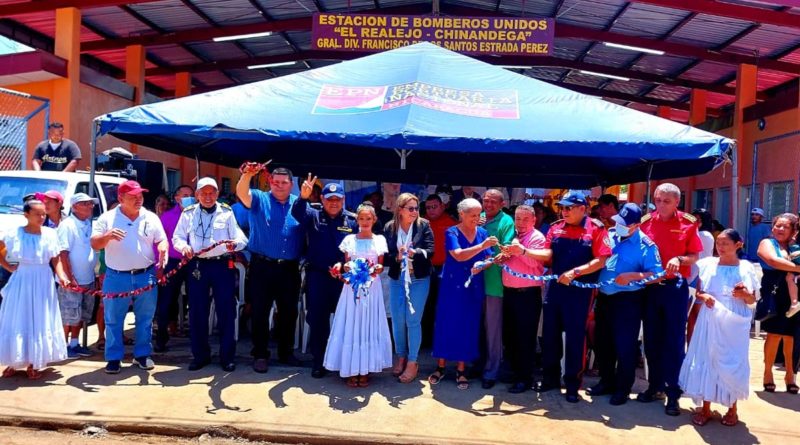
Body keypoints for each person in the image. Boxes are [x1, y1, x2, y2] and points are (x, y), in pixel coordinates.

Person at [534, 191, 610, 403]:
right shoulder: (556, 227)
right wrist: (524, 251)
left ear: (581, 208)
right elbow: (548, 255)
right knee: (550, 335)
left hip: (579, 292)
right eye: (562, 207)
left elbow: (601, 260)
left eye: (568, 208)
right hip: (555, 289)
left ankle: (572, 384)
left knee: (575, 338)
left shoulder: (596, 228)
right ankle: (549, 378)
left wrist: (575, 273)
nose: (564, 211)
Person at [680, 229, 757, 427]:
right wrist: (704, 297)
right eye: (718, 243)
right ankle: (705, 408)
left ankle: (732, 408)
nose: (720, 247)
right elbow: (699, 292)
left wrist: (745, 295)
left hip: (734, 319)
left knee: (733, 360)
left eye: (725, 243)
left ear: (738, 245)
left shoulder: (747, 268)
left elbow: (753, 299)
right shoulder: (707, 264)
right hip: (710, 316)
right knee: (707, 357)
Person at [638, 183, 703, 416]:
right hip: (649, 288)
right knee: (652, 339)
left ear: (677, 202)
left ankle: (673, 393)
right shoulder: (646, 222)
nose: (661, 205)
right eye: (658, 200)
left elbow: (694, 255)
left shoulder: (687, 223)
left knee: (673, 341)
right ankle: (654, 387)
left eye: (667, 201)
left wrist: (679, 258)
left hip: (674, 288)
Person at [91, 180, 168, 374]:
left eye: (140, 196)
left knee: (145, 318)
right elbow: (94, 244)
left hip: (146, 275)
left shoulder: (150, 217)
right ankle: (114, 358)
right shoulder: (107, 218)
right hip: (117, 276)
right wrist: (106, 237)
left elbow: (161, 239)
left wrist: (162, 250)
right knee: (113, 319)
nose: (138, 200)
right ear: (120, 198)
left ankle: (142, 355)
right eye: (133, 197)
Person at [590, 203, 663, 405]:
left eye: (625, 224)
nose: (619, 226)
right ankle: (606, 381)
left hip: (627, 301)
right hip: (604, 297)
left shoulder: (646, 246)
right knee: (603, 343)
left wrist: (633, 276)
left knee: (625, 346)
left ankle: (622, 388)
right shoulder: (610, 234)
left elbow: (657, 275)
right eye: (618, 222)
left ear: (636, 225)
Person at [173, 177, 247, 372]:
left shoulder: (227, 212)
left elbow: (241, 237)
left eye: (212, 193)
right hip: (198, 266)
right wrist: (184, 247)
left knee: (226, 311)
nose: (208, 196)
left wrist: (235, 244)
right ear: (197, 195)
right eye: (203, 193)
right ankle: (200, 355)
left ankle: (227, 357)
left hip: (222, 266)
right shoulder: (188, 213)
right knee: (197, 311)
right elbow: (177, 237)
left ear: (217, 194)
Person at [236, 166, 304, 373]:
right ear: (270, 182)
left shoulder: (299, 204)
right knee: (260, 311)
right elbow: (242, 193)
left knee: (289, 312)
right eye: (276, 182)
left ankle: (286, 352)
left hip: (289, 268)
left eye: (284, 183)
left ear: (291, 185)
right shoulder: (258, 198)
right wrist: (247, 175)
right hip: (262, 267)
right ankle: (260, 354)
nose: (280, 186)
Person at [291, 176, 357, 378]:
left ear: (343, 200)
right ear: (322, 198)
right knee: (318, 321)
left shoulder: (352, 221)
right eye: (329, 199)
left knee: (345, 321)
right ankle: (319, 361)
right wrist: (303, 198)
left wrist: (344, 264)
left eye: (337, 199)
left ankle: (342, 362)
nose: (333, 203)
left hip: (343, 279)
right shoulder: (313, 214)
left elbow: (358, 248)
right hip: (318, 277)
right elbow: (297, 213)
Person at [428, 198, 496, 390]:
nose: (477, 218)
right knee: (446, 322)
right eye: (473, 215)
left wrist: (482, 264)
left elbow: (489, 258)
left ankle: (461, 369)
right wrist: (481, 248)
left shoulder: (483, 232)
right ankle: (440, 367)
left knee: (468, 325)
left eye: (479, 214)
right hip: (452, 285)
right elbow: (458, 255)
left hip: (473, 285)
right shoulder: (452, 232)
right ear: (462, 214)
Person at [323, 202, 391, 387]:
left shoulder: (379, 240)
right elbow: (346, 264)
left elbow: (380, 265)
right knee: (352, 324)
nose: (365, 222)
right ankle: (350, 369)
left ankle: (366, 369)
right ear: (357, 220)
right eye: (361, 218)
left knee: (368, 325)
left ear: (374, 219)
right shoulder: (349, 240)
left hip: (371, 289)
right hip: (352, 288)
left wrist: (376, 269)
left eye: (368, 218)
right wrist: (346, 271)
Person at [0, 200, 69, 379]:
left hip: (43, 280)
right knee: (18, 317)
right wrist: (8, 267)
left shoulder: (50, 234)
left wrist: (61, 276)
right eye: (37, 214)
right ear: (26, 215)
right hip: (22, 278)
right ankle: (13, 361)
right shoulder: (14, 233)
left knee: (39, 319)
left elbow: (56, 258)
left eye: (43, 214)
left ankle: (34, 363)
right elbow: (0, 248)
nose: (41, 217)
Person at [385, 193, 435, 384]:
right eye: (411, 208)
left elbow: (431, 251)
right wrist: (397, 257)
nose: (415, 212)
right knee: (398, 320)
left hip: (418, 279)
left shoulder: (424, 225)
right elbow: (384, 256)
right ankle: (401, 357)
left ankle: (413, 362)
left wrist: (416, 252)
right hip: (398, 278)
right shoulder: (390, 227)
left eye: (416, 208)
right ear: (400, 209)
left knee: (413, 320)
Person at [498, 205, 547, 393]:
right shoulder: (514, 236)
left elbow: (536, 263)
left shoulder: (537, 238)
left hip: (527, 295)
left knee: (525, 339)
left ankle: (524, 379)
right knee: (510, 337)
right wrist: (504, 257)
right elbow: (513, 260)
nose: (521, 223)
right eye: (518, 219)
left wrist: (520, 251)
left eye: (525, 219)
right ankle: (514, 373)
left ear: (534, 220)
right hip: (510, 293)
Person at [756, 213, 800, 394]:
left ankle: (790, 376)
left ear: (793, 230)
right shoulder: (767, 243)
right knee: (774, 334)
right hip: (775, 292)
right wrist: (798, 268)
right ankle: (768, 374)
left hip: (795, 294)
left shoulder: (795, 245)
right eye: (777, 226)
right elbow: (773, 261)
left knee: (792, 337)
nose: (780, 229)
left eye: (785, 227)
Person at [479, 189, 515, 389]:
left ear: (502, 204)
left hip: (494, 283)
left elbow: (507, 249)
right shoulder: (479, 217)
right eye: (486, 201)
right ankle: (477, 364)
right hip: (475, 282)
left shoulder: (506, 222)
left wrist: (494, 258)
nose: (488, 205)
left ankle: (492, 371)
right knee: (476, 327)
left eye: (493, 202)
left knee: (493, 330)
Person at [56, 193, 99, 359]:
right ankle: (63, 346)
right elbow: (62, 254)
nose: (90, 206)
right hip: (72, 281)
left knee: (81, 315)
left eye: (90, 203)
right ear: (74, 207)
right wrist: (69, 276)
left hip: (87, 279)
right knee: (68, 314)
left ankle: (75, 344)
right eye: (85, 204)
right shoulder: (67, 225)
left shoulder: (89, 224)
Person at [154, 185, 194, 352]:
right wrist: (160, 267)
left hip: (194, 263)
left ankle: (197, 338)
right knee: (166, 300)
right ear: (177, 198)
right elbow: (159, 242)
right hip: (172, 262)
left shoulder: (198, 214)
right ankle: (161, 338)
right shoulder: (167, 217)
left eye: (191, 195)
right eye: (185, 195)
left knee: (196, 300)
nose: (189, 198)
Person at [421, 194, 456, 348]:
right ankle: (426, 340)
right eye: (428, 207)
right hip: (425, 269)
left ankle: (442, 340)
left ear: (443, 206)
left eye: (434, 206)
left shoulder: (452, 223)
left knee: (442, 305)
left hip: (445, 269)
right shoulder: (421, 223)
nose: (431, 210)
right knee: (425, 304)